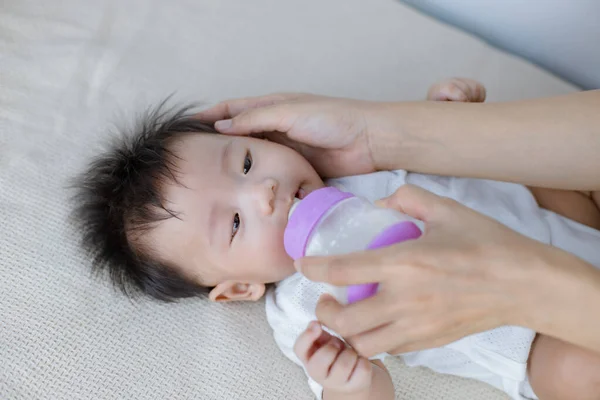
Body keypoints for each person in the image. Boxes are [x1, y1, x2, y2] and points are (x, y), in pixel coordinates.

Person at [72, 79, 600, 400]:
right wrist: (348, 382)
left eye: (248, 163)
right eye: (234, 224)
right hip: (529, 334)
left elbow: (444, 156)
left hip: (559, 214)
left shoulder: (344, 168)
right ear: (237, 288)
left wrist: (445, 114)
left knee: (556, 178)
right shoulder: (306, 304)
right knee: (575, 376)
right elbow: (352, 379)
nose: (265, 192)